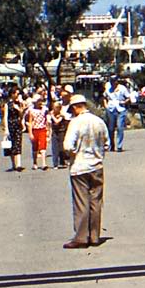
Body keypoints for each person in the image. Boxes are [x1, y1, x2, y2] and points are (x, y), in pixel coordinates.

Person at [62, 94, 110, 249]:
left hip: (80, 166)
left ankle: (82, 236)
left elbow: (68, 145)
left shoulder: (75, 123)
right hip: (96, 165)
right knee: (95, 201)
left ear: (76, 107)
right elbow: (107, 143)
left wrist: (72, 153)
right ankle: (94, 235)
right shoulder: (99, 121)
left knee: (81, 202)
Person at [1, 84, 25, 171]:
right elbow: (6, 116)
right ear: (12, 94)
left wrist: (19, 109)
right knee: (10, 145)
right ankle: (13, 164)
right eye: (16, 94)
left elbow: (22, 115)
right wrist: (6, 128)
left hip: (17, 125)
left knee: (18, 144)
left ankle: (19, 164)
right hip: (10, 124)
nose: (18, 96)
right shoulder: (8, 104)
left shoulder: (20, 104)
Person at [25, 96, 49, 170]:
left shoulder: (44, 109)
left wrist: (47, 129)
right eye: (39, 101)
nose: (40, 103)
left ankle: (44, 163)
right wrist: (30, 133)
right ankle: (35, 162)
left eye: (41, 101)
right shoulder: (31, 111)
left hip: (42, 129)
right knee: (35, 147)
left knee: (43, 146)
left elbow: (46, 119)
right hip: (35, 129)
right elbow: (30, 122)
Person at [106, 76, 129, 151]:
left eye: (114, 81)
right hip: (111, 109)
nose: (112, 83)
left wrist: (124, 102)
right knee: (111, 129)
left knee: (119, 127)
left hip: (120, 109)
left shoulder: (122, 88)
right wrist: (106, 105)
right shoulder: (108, 88)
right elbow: (104, 97)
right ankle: (111, 145)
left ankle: (119, 146)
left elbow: (128, 97)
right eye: (111, 81)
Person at [48, 100, 69, 170]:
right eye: (53, 107)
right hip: (54, 132)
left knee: (61, 148)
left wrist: (52, 116)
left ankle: (63, 162)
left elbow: (57, 122)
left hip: (61, 132)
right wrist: (49, 135)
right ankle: (55, 164)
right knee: (54, 148)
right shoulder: (51, 115)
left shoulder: (61, 115)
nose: (54, 109)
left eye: (56, 108)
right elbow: (50, 125)